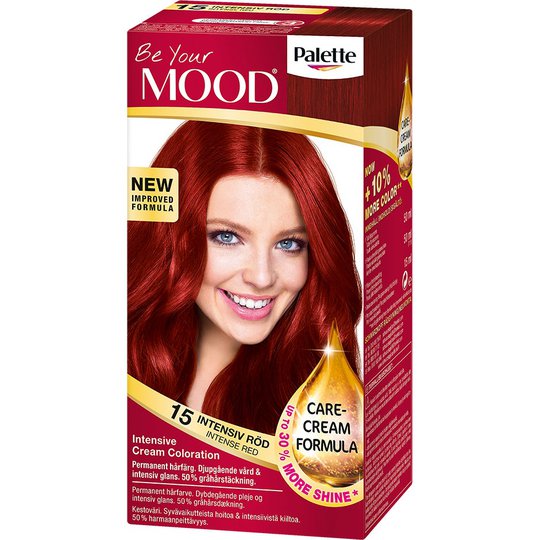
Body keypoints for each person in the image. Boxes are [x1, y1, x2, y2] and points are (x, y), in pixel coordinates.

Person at [128, 121, 362, 434]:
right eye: (227, 237)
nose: (262, 277)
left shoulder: (326, 414)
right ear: (170, 240)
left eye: (289, 244)